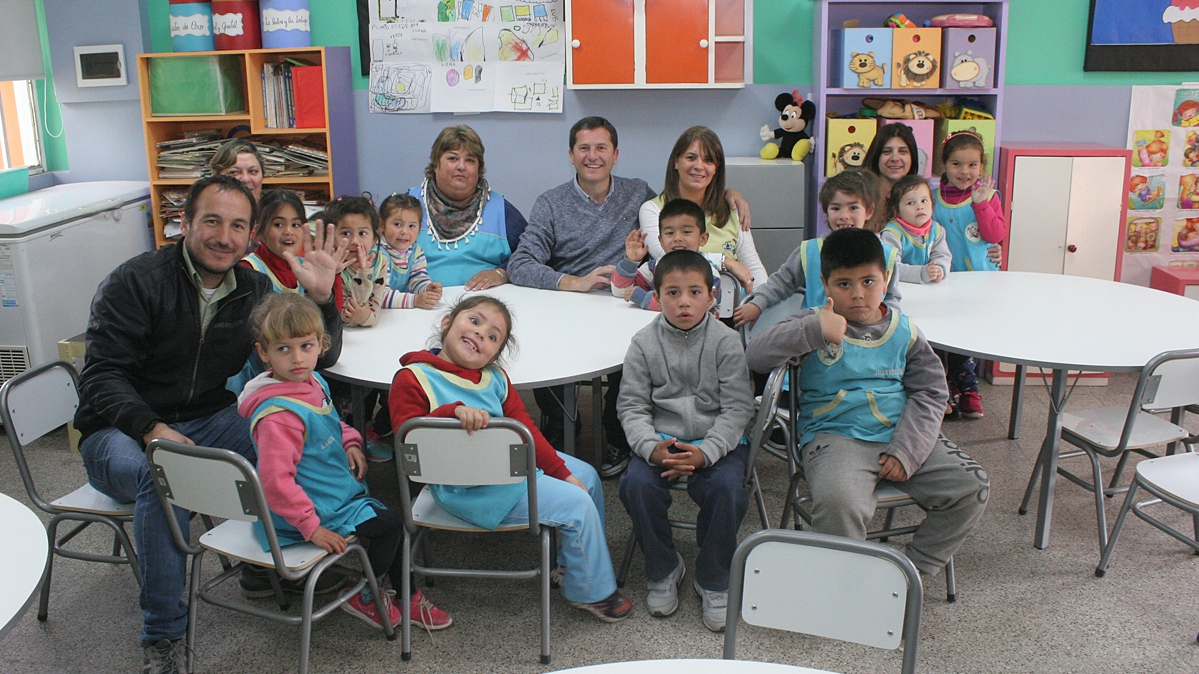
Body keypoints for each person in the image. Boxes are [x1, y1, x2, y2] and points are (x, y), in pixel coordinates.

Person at [73, 174, 345, 674]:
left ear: (250, 234)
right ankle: (163, 634)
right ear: (185, 223)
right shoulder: (136, 280)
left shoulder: (255, 288)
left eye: (237, 225)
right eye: (212, 221)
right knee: (166, 477)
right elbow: (101, 376)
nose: (224, 236)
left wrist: (323, 301)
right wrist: (151, 428)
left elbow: (309, 360)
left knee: (295, 435)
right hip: (119, 430)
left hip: (207, 416)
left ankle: (275, 563)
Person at [507, 117, 752, 479]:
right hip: (569, 304)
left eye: (601, 148)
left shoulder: (637, 193)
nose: (593, 156)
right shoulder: (551, 203)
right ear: (571, 155)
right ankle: (559, 425)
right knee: (548, 352)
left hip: (628, 300)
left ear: (616, 154)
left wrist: (728, 194)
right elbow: (520, 263)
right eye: (584, 148)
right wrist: (570, 281)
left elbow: (676, 222)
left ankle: (616, 432)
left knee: (636, 355)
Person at [743, 228, 989, 581]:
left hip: (902, 435)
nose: (858, 294)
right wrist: (814, 328)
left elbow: (931, 393)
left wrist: (908, 450)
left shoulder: (905, 330)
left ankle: (910, 574)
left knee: (973, 486)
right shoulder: (815, 320)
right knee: (840, 503)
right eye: (844, 284)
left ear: (886, 278)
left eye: (868, 281)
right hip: (834, 439)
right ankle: (847, 583)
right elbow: (756, 355)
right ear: (826, 284)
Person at [389, 296, 633, 622]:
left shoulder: (496, 378)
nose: (480, 335)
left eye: (493, 336)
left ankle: (572, 566)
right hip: (465, 488)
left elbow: (527, 432)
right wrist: (453, 413)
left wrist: (561, 472)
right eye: (474, 321)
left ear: (496, 351)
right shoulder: (412, 378)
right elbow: (407, 443)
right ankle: (592, 591)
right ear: (447, 322)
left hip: (508, 468)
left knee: (586, 476)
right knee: (576, 503)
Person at [238, 292, 451, 631]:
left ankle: (404, 594)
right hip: (304, 512)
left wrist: (351, 442)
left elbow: (334, 422)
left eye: (306, 346)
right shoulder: (278, 417)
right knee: (391, 525)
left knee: (390, 521)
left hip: (329, 496)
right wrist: (311, 527)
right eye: (283, 349)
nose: (297, 358)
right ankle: (365, 595)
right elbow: (275, 482)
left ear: (320, 344)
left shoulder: (313, 381)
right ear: (263, 352)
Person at [617, 250, 755, 633]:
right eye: (673, 293)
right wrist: (649, 447)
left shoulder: (726, 343)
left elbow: (738, 409)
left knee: (727, 489)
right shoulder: (644, 343)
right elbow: (631, 406)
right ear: (658, 297)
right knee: (635, 485)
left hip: (717, 441)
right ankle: (664, 567)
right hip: (662, 440)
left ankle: (713, 576)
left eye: (695, 292)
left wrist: (707, 452)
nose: (684, 302)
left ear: (712, 296)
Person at [732, 170, 902, 329]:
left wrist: (890, 326)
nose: (844, 215)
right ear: (826, 212)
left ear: (869, 211)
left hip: (868, 340)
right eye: (836, 208)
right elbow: (782, 282)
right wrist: (758, 303)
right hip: (816, 337)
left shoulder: (886, 254)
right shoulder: (810, 251)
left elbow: (891, 298)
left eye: (853, 207)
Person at [933, 131, 1008, 420]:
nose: (964, 172)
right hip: (946, 280)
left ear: (982, 167)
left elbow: (994, 234)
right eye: (956, 164)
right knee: (941, 339)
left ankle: (969, 390)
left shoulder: (988, 196)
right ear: (944, 165)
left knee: (966, 340)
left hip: (979, 280)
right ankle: (944, 391)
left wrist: (980, 203)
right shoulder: (933, 198)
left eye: (972, 165)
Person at [639, 127, 768, 292]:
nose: (699, 166)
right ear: (676, 162)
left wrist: (760, 304)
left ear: (716, 169)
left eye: (708, 160)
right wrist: (724, 261)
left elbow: (754, 269)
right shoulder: (652, 210)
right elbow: (668, 259)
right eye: (691, 158)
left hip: (733, 312)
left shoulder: (732, 209)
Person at [407, 125, 528, 289]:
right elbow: (382, 254)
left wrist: (501, 272)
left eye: (470, 160)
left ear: (479, 169)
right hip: (419, 303)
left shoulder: (502, 210)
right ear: (436, 164)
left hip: (484, 302)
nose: (461, 166)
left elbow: (531, 255)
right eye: (452, 158)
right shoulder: (406, 206)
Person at [611, 198, 722, 315]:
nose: (677, 238)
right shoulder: (653, 267)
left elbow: (694, 307)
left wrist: (643, 298)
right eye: (669, 233)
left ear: (703, 238)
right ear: (661, 240)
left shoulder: (709, 273)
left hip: (700, 333)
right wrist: (630, 262)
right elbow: (620, 291)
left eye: (687, 232)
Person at [329, 195, 389, 328]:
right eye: (345, 233)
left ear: (374, 238)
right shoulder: (330, 265)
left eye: (362, 233)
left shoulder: (380, 262)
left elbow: (373, 313)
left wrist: (365, 318)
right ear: (332, 237)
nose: (355, 241)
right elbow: (345, 317)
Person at [879, 175, 951, 284]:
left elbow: (942, 255)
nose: (920, 207)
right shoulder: (892, 234)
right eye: (911, 203)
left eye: (924, 200)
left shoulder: (937, 230)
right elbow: (892, 267)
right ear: (896, 210)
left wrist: (939, 269)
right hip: (900, 288)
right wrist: (922, 272)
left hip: (928, 288)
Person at [377, 193, 442, 310]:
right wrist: (415, 300)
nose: (404, 231)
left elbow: (417, 279)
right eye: (397, 224)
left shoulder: (415, 252)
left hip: (398, 313)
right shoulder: (377, 254)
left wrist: (427, 289)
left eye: (412, 226)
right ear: (381, 225)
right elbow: (379, 296)